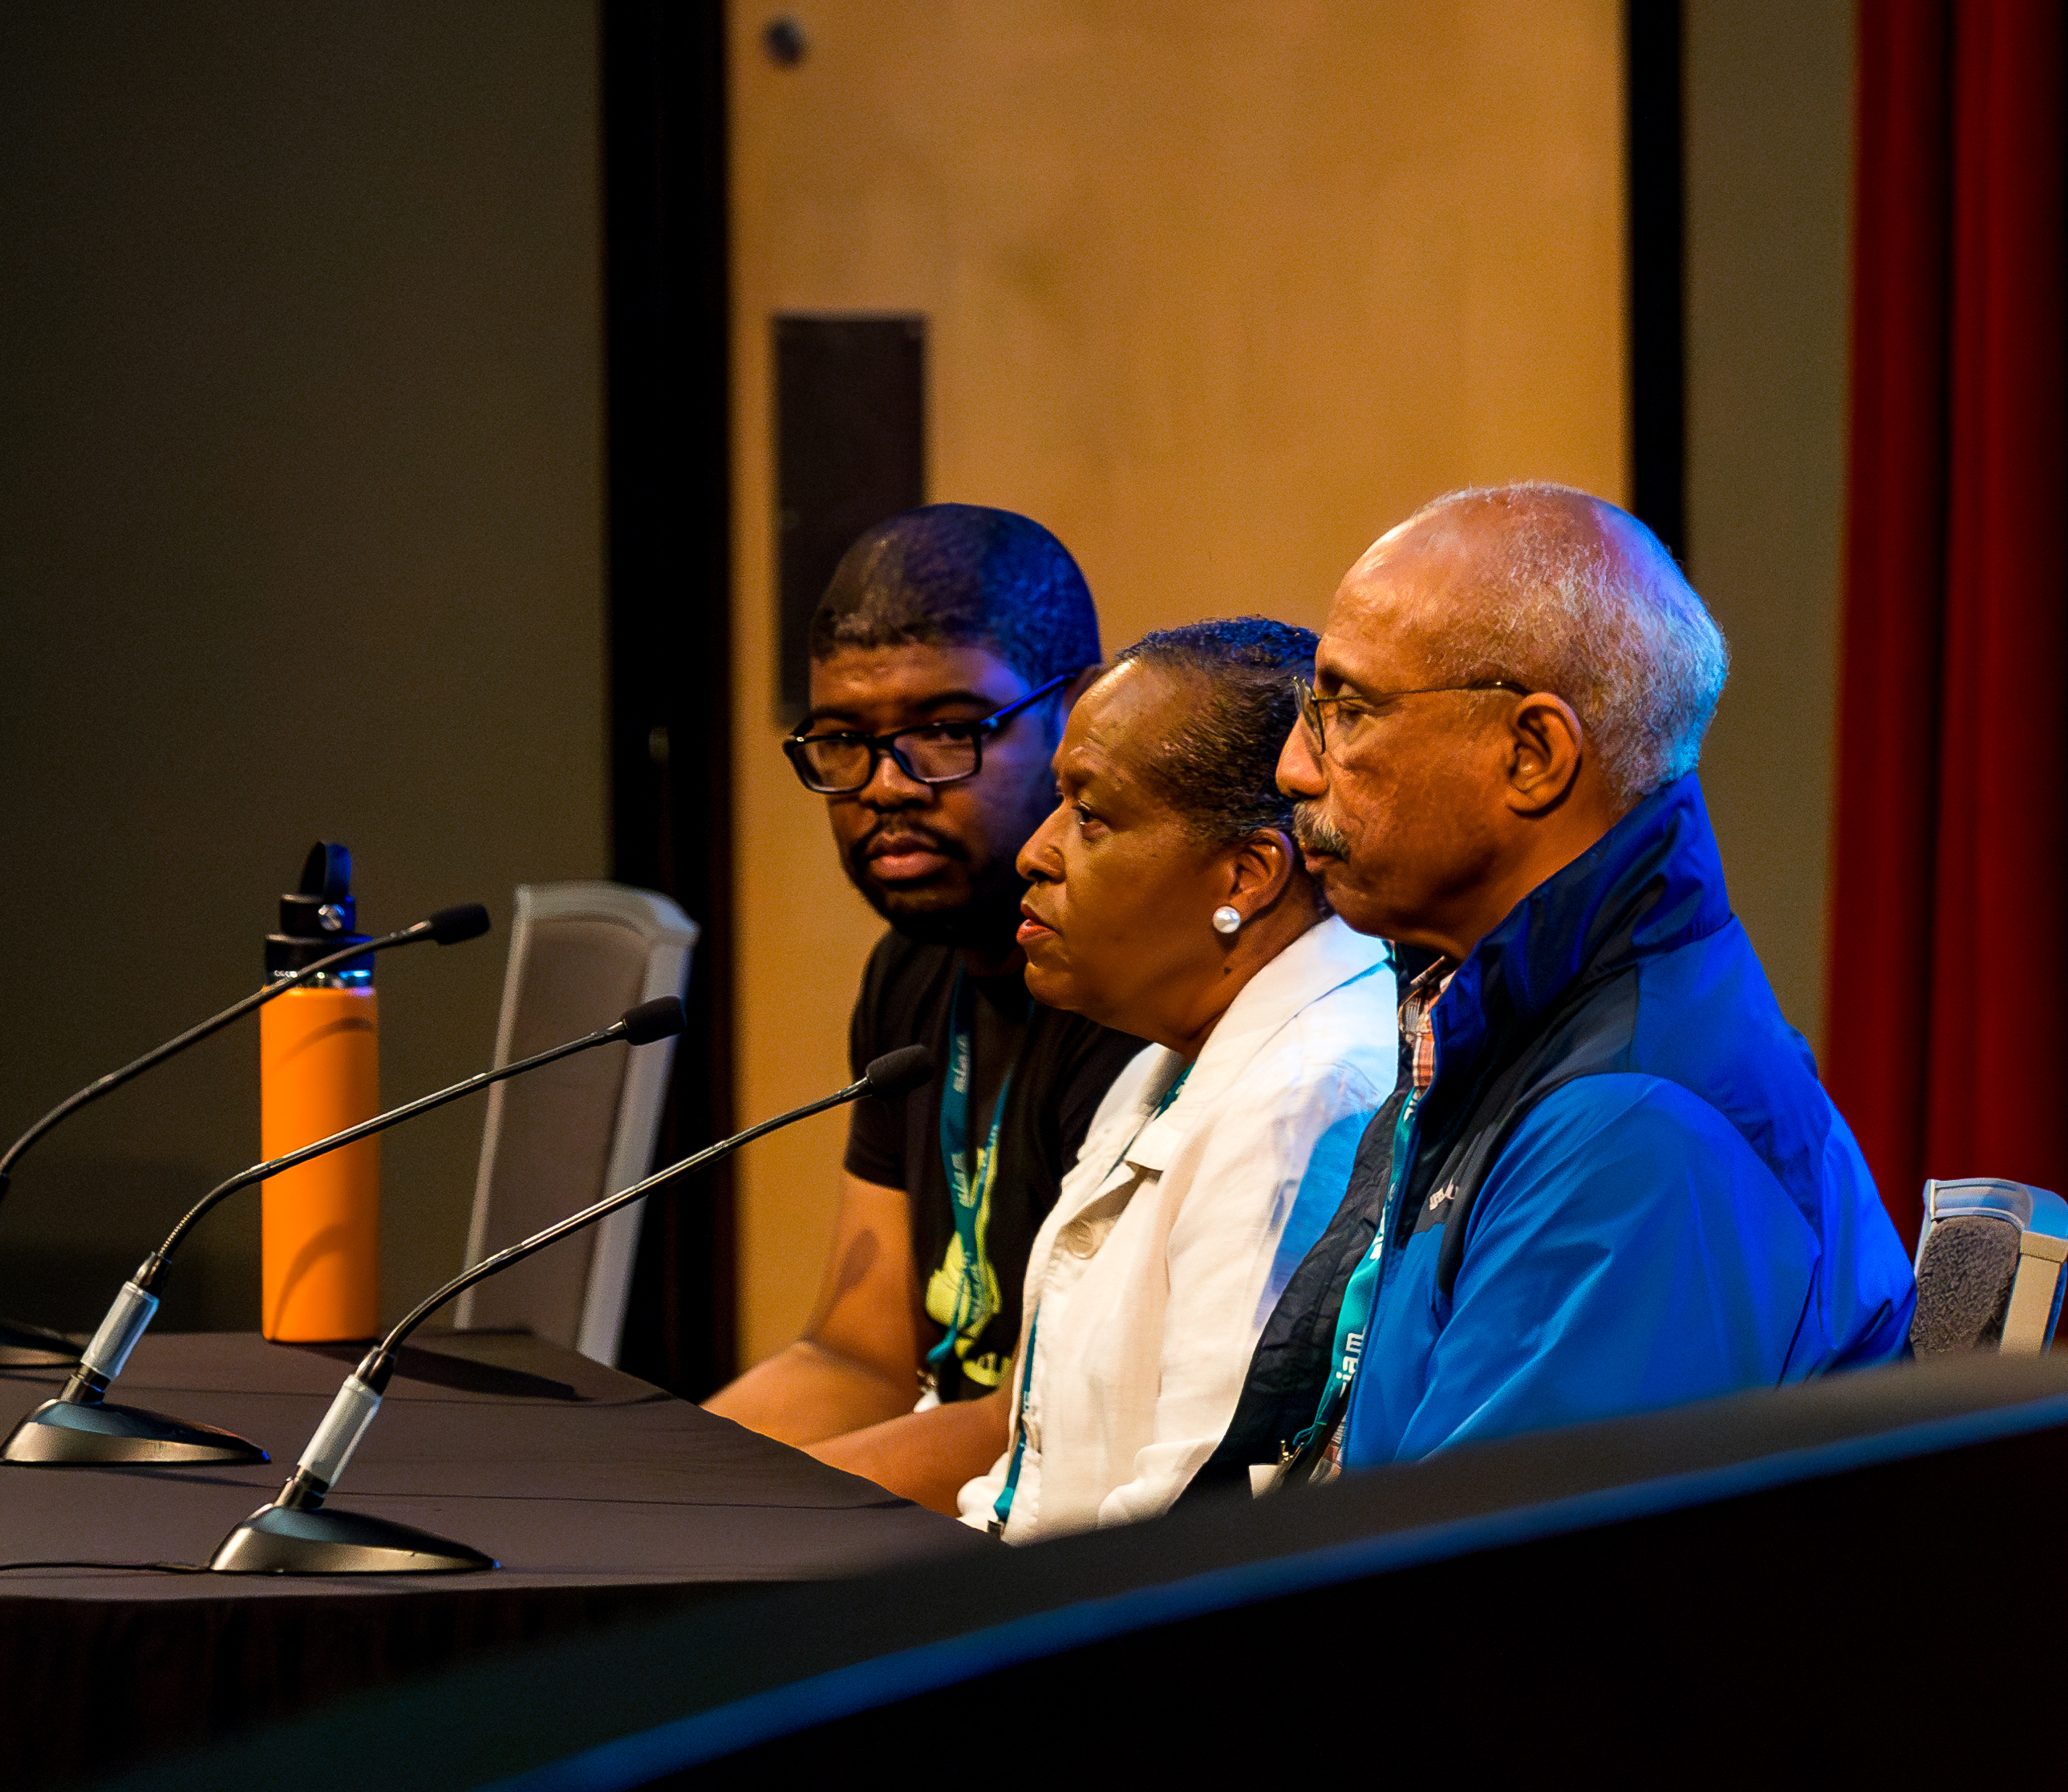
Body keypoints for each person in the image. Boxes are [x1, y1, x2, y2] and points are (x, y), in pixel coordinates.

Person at [1202, 482, 1907, 1492]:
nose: (1295, 768)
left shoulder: (1630, 1130)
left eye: (1345, 713)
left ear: (1531, 755)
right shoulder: (1496, 1020)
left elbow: (1486, 1608)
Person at [706, 506, 1148, 1508]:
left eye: (946, 731)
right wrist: (644, 1489)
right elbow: (858, 1356)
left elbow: (1036, 1421)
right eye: (843, 741)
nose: (885, 787)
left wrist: (726, 1522)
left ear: (1077, 717)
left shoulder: (1132, 999)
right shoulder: (909, 973)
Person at [955, 619, 1397, 1539]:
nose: (1034, 853)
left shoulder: (1311, 1091)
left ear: (1246, 872)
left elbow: (1186, 1524)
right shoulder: (1164, 1059)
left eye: (1089, 814)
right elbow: (1029, 1479)